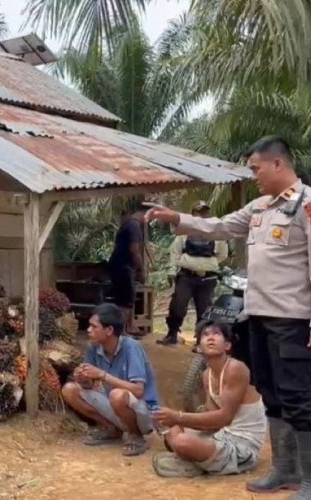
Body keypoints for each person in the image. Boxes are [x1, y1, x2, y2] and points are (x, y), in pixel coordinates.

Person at [146, 135, 311, 498]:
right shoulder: (259, 208)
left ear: (278, 164)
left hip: (294, 320)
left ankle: (309, 480)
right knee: (273, 396)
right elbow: (219, 226)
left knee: (300, 399)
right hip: (259, 318)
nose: (253, 175)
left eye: (256, 168)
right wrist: (178, 218)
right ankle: (284, 471)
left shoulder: (306, 204)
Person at [151, 320, 267, 478]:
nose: (211, 338)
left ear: (227, 345)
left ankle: (191, 462)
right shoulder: (207, 375)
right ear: (199, 347)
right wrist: (171, 421)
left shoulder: (235, 368)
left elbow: (223, 418)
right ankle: (195, 460)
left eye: (216, 334)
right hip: (220, 434)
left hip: (241, 444)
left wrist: (178, 417)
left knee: (181, 442)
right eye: (205, 335)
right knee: (173, 430)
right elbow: (211, 423)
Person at [62, 303, 160, 456]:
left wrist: (102, 375)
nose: (88, 330)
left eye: (94, 327)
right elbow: (89, 385)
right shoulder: (93, 347)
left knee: (117, 395)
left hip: (143, 412)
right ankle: (110, 429)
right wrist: (82, 378)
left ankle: (136, 436)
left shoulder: (131, 347)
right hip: (115, 405)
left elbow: (138, 390)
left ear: (109, 330)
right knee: (70, 390)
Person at [157, 201, 229, 346]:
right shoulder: (184, 233)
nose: (202, 215)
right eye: (199, 212)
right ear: (193, 215)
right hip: (186, 276)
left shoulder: (216, 234)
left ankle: (200, 341)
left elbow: (223, 254)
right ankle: (172, 334)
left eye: (204, 212)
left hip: (207, 277)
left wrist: (207, 264)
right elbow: (175, 253)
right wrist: (174, 269)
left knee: (204, 310)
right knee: (177, 305)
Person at [108, 209, 146, 336]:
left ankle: (128, 327)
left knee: (123, 299)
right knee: (126, 301)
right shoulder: (134, 226)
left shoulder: (126, 225)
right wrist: (141, 270)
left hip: (117, 266)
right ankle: (121, 332)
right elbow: (134, 250)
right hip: (125, 267)